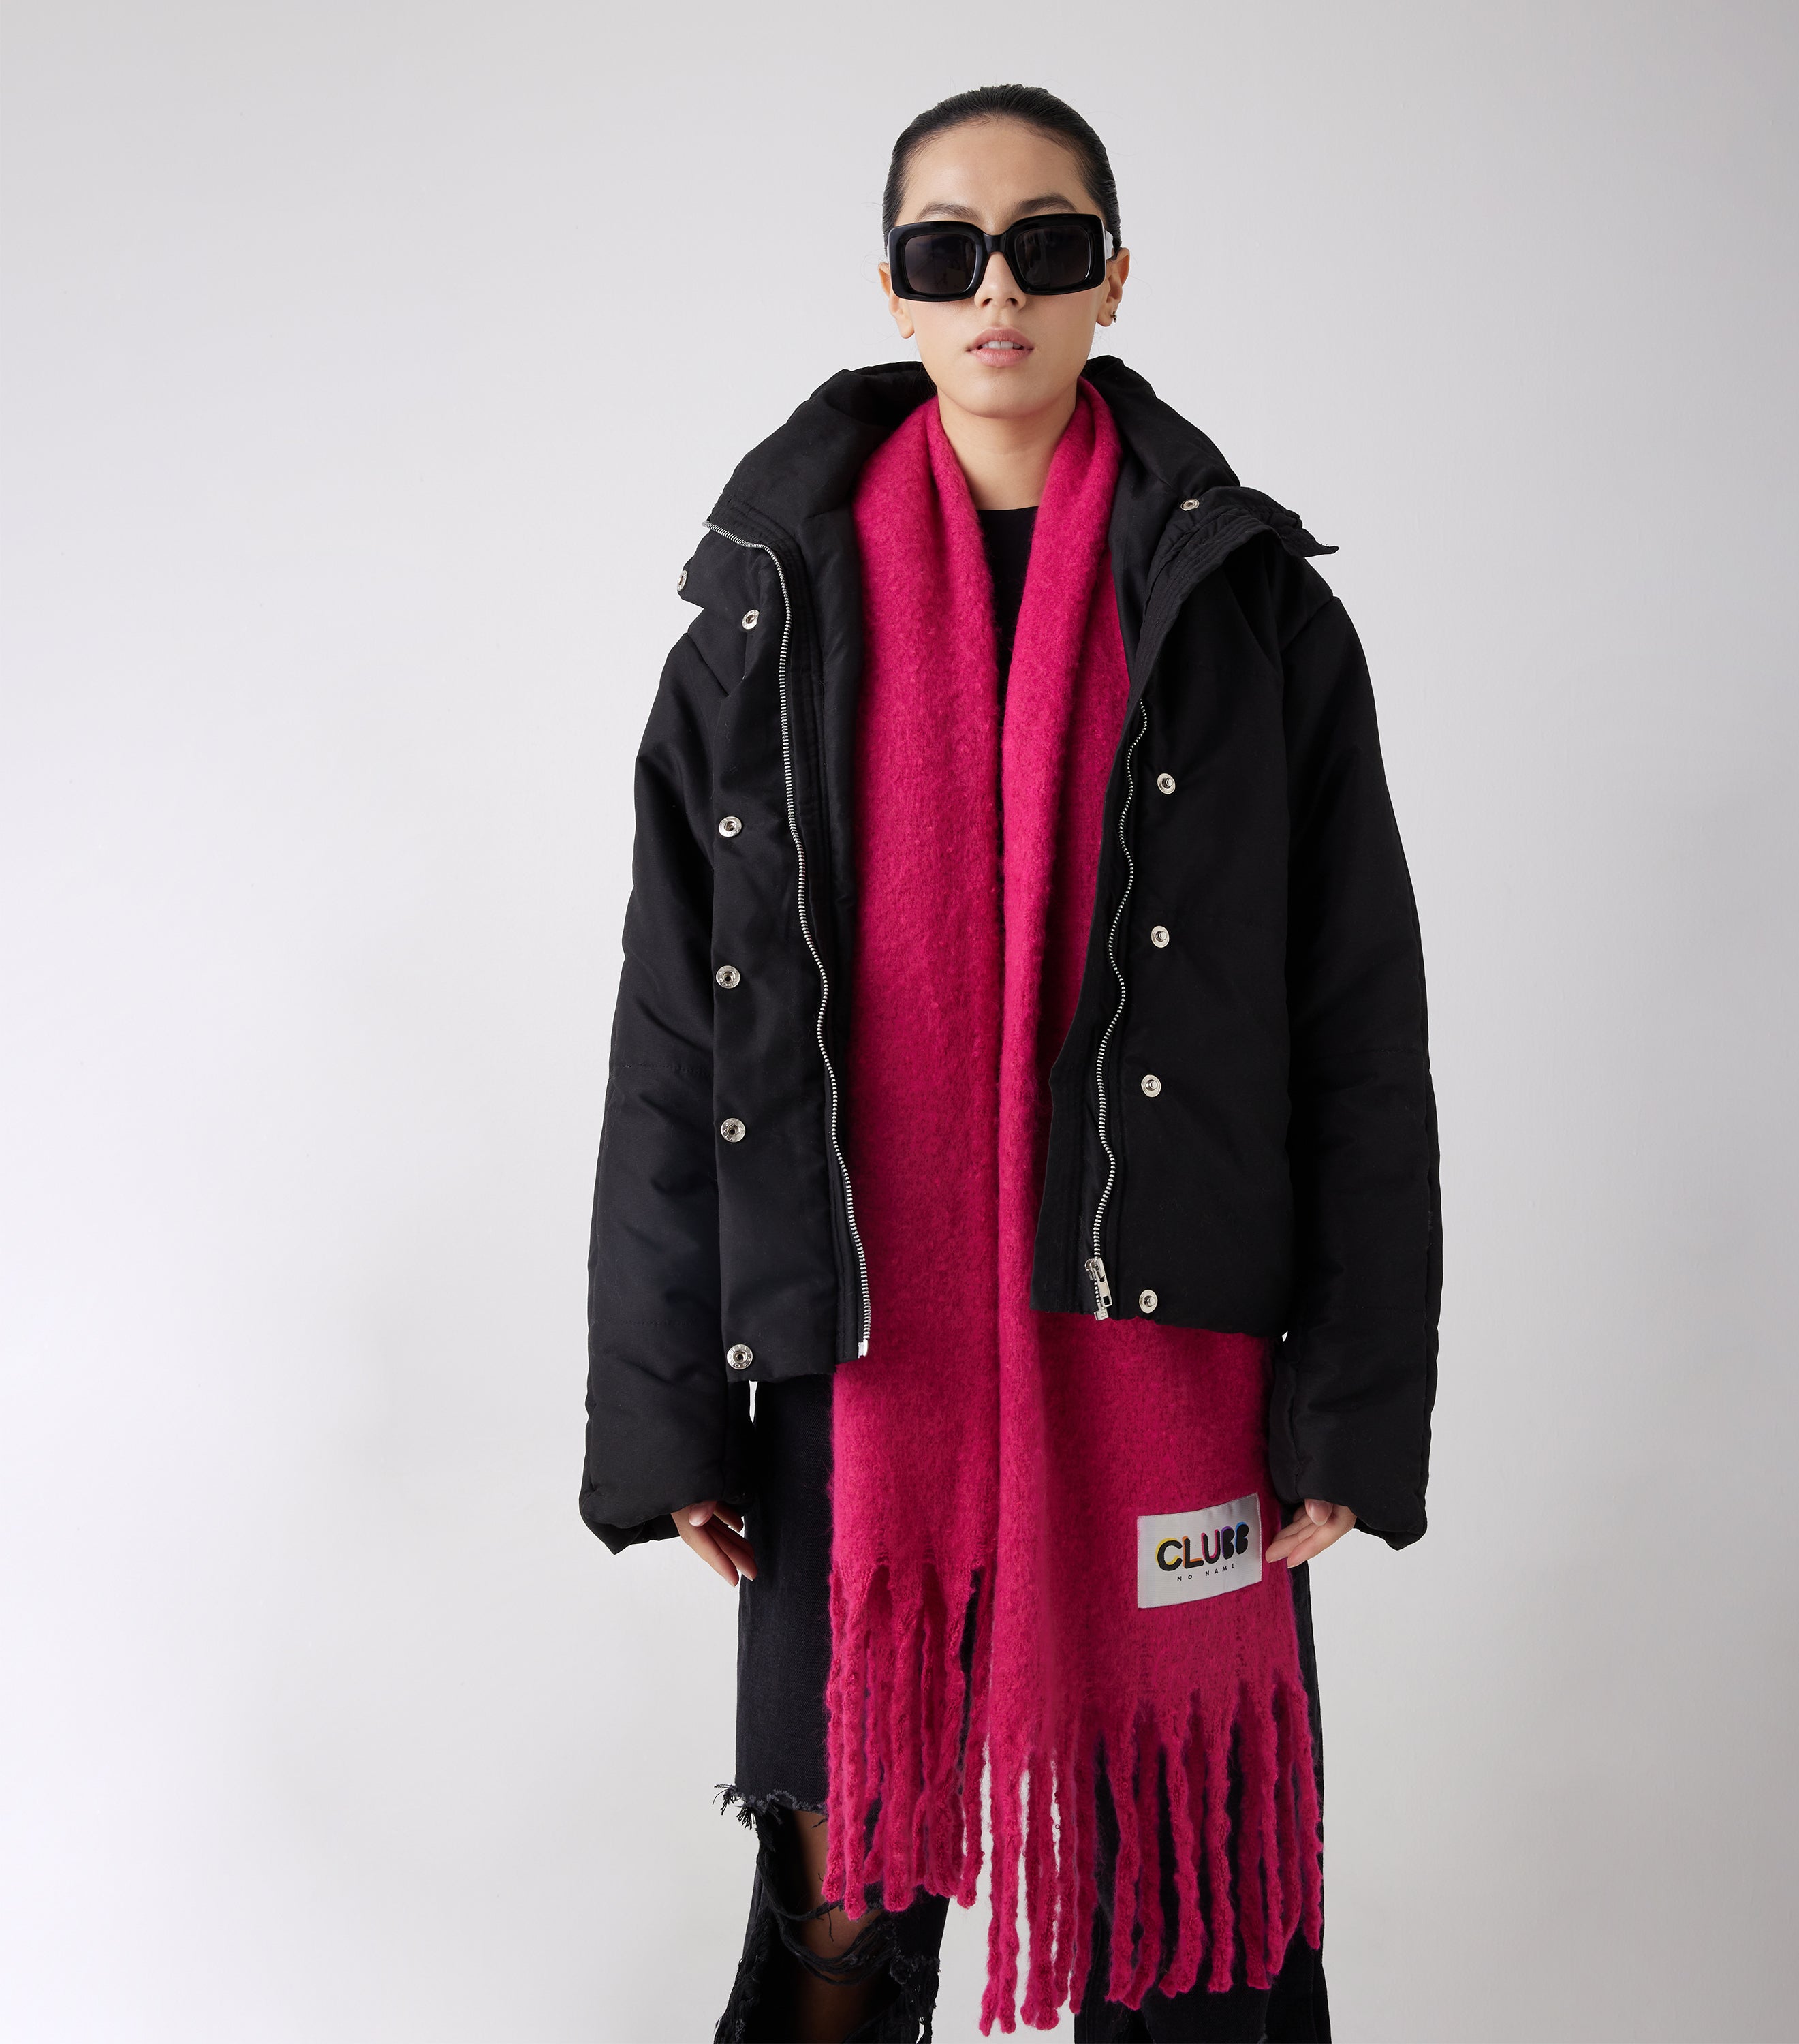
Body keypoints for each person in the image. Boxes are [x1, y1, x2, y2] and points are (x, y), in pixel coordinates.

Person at [579, 84, 1441, 2044]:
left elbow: (1356, 1031)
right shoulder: (760, 626)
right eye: (948, 250)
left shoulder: (1253, 619)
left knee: (1199, 1921)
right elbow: (673, 1038)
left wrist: (1352, 1403)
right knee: (834, 1928)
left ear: (1113, 278)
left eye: (1047, 247)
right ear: (891, 287)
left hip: (1170, 1359)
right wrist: (663, 1412)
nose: (998, 292)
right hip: (854, 1368)